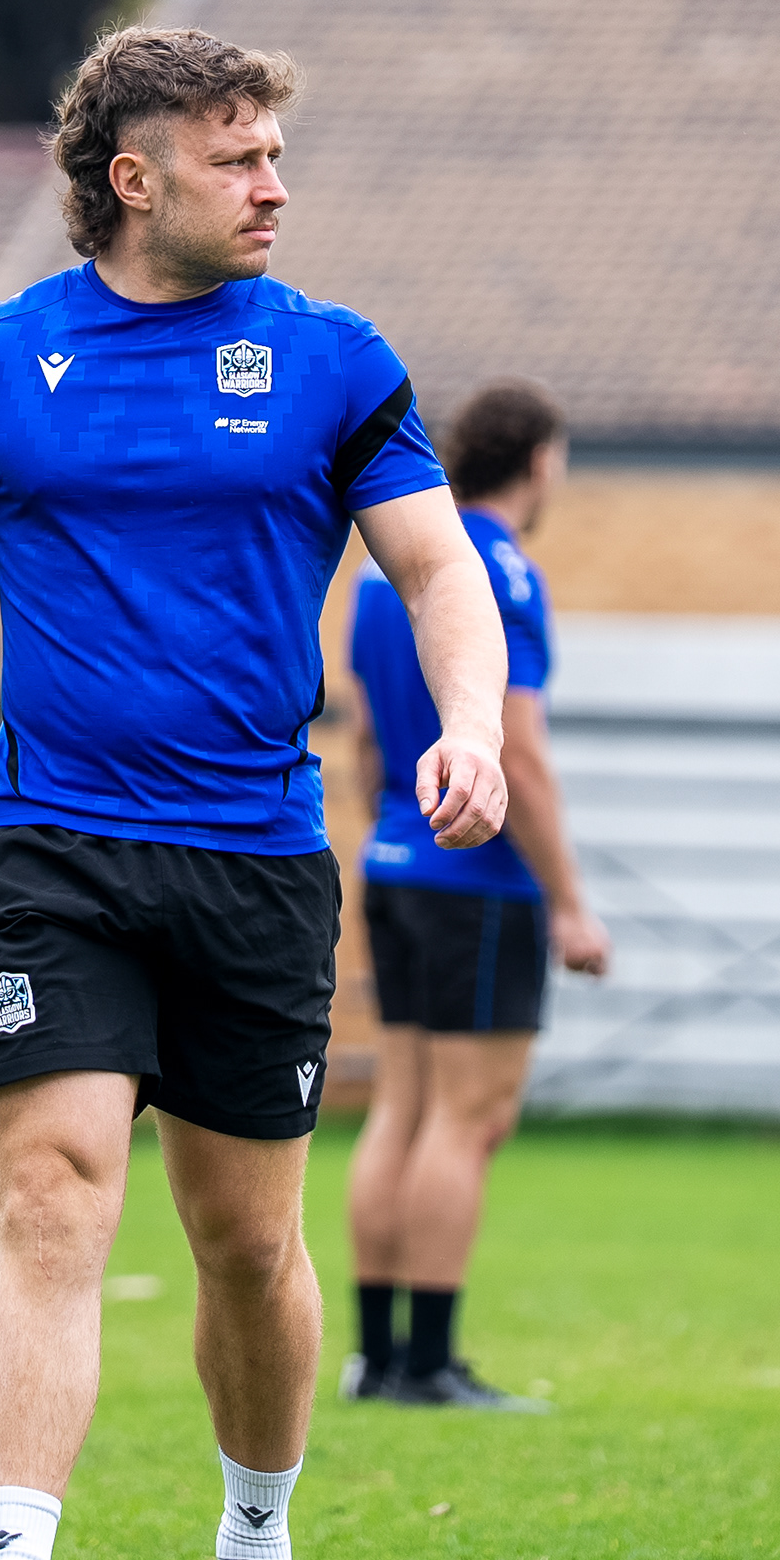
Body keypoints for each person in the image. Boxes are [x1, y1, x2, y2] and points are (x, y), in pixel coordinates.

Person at [0, 26, 512, 1560]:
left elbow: (438, 572)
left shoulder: (336, 363)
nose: (273, 185)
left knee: (247, 1245)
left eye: (275, 153)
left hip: (256, 862)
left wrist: (470, 725)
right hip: (54, 853)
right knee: (50, 1197)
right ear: (135, 179)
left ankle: (255, 1548)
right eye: (235, 158)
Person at [342, 379, 610, 1413]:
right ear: (540, 459)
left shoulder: (382, 571)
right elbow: (520, 754)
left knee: (403, 1107)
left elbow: (365, 735)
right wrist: (569, 901)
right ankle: (431, 1364)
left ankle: (377, 1357)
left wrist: (390, 829)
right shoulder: (498, 571)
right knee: (469, 1119)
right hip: (480, 879)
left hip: (395, 862)